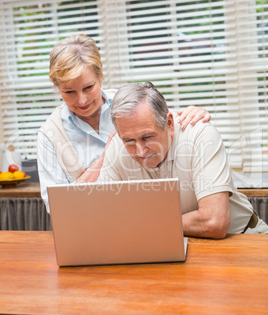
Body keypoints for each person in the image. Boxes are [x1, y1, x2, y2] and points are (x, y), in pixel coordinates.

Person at [37, 34, 211, 212]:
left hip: (149, 214)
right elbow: (57, 207)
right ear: (57, 88)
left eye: (88, 88)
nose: (82, 100)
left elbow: (165, 127)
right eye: (69, 92)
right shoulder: (51, 133)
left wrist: (195, 114)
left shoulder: (130, 104)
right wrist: (106, 159)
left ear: (100, 77)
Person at [98, 82, 268, 238]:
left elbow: (214, 222)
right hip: (173, 245)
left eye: (148, 137)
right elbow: (102, 217)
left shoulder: (200, 136)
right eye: (129, 141)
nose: (141, 151)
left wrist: (143, 224)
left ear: (170, 124)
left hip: (243, 237)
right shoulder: (116, 148)